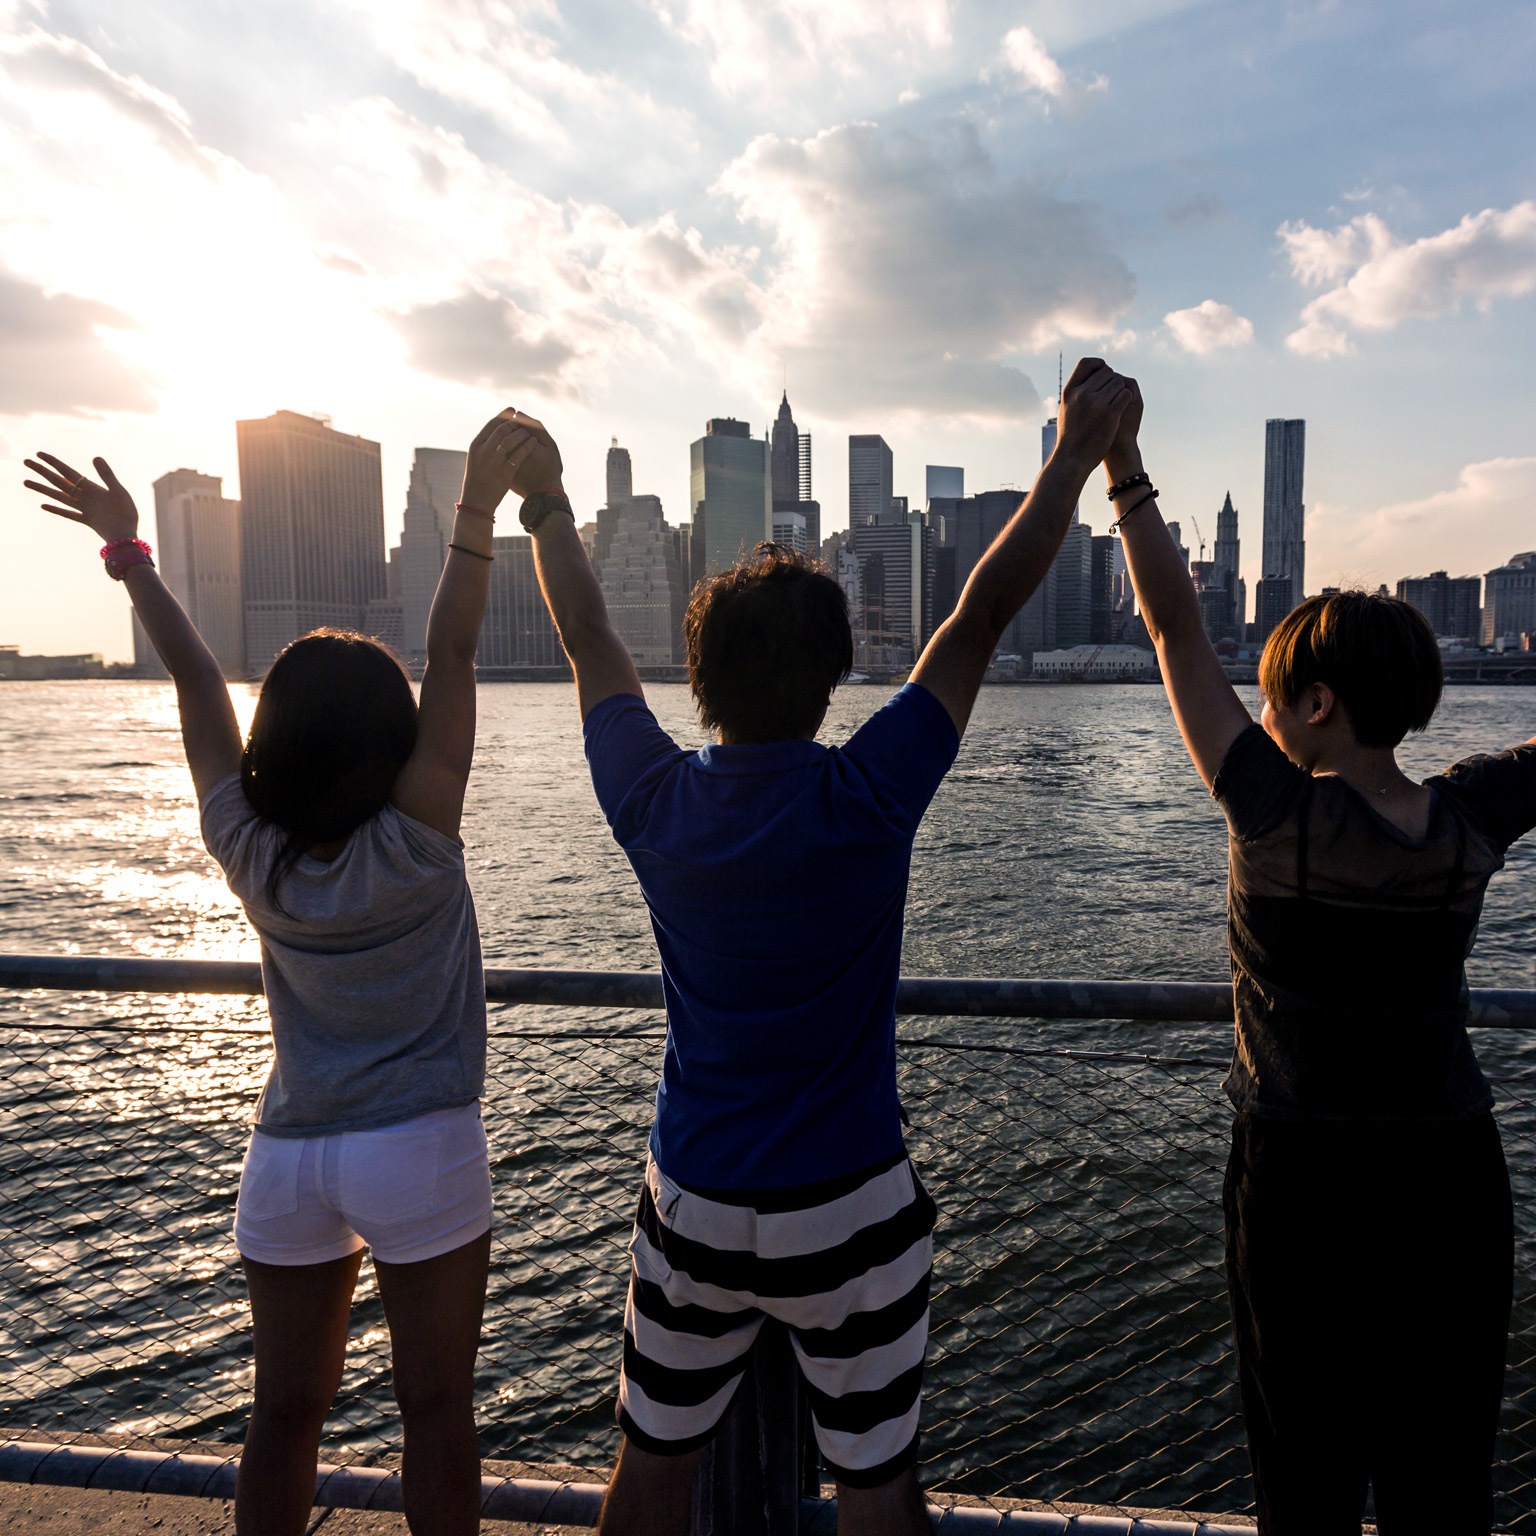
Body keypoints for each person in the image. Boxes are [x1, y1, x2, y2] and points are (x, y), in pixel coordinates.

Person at [500, 362, 1133, 1536]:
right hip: (849, 1201)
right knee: (878, 1481)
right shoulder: (866, 795)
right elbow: (980, 616)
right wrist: (1072, 458)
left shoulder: (656, 800)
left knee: (654, 1467)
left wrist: (542, 502)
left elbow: (589, 639)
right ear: (837, 679)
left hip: (697, 1194)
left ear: (699, 682)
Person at [23, 412, 537, 1536]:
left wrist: (128, 555)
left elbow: (201, 682)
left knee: (282, 1418)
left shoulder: (251, 852)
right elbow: (452, 652)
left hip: (290, 1159)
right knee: (438, 1413)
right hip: (422, 1146)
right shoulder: (418, 836)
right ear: (392, 740)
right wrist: (476, 514)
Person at [1100, 384, 1536, 1534]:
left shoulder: (1271, 814)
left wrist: (1125, 469)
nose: (1262, 705)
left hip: (1303, 1187)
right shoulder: (1470, 821)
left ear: (1320, 703)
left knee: (1307, 1488)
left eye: (1280, 690)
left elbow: (1170, 629)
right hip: (1450, 1180)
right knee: (1444, 1488)